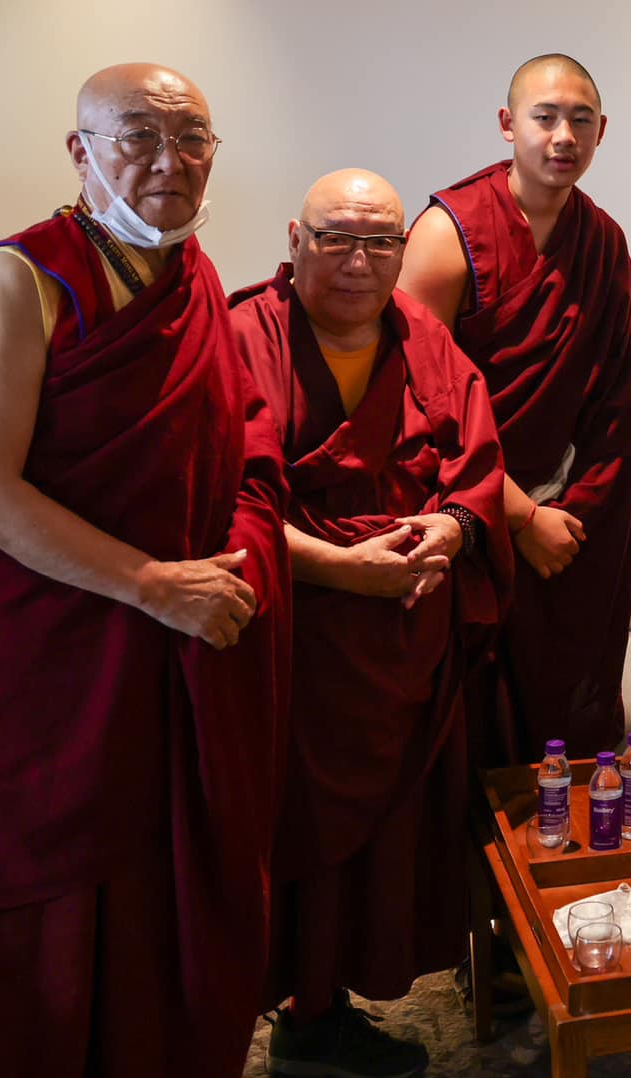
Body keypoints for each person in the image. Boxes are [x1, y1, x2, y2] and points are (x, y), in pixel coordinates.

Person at [0, 64, 291, 1076]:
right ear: (80, 151)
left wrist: (231, 554)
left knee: (151, 904)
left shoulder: (192, 279)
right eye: (137, 135)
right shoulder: (25, 276)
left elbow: (237, 446)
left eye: (192, 137)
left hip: (147, 655)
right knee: (31, 932)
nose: (169, 160)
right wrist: (158, 585)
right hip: (19, 659)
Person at [231, 171, 512, 1078]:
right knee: (295, 836)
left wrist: (453, 527)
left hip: (402, 639)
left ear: (402, 251)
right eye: (337, 239)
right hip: (294, 645)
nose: (358, 262)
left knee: (383, 845)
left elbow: (476, 470)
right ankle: (300, 1012)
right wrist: (341, 569)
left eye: (379, 243)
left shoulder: (425, 338)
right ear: (296, 238)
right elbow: (220, 504)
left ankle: (330, 1011)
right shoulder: (245, 336)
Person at [399, 54, 631, 759]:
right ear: (509, 126)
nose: (563, 135)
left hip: (572, 524)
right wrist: (519, 514)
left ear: (602, 133)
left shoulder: (602, 242)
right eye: (545, 118)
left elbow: (619, 395)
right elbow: (418, 399)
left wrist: (577, 510)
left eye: (581, 120)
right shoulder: (448, 236)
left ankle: (568, 851)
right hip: (469, 514)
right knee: (472, 720)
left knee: (569, 710)